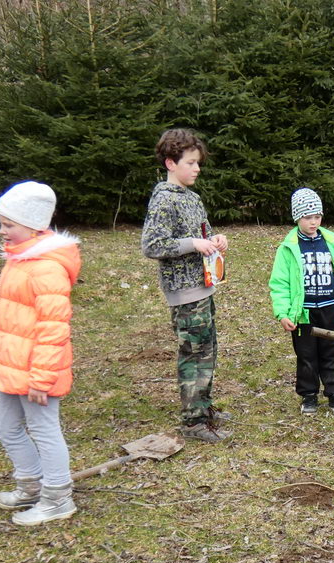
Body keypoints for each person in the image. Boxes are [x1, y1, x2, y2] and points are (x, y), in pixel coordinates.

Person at [0, 181, 81, 526]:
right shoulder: (19, 259)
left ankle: (57, 497)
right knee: (2, 424)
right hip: (14, 364)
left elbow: (53, 328)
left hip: (38, 370)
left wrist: (41, 378)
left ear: (33, 226)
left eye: (9, 224)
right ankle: (31, 484)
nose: (2, 230)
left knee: (43, 429)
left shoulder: (46, 268)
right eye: (2, 223)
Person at [141, 128, 230, 442]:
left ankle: (203, 408)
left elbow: (203, 233)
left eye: (198, 163)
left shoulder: (193, 198)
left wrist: (215, 239)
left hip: (204, 285)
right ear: (170, 163)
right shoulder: (164, 200)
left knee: (207, 350)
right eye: (190, 163)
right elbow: (152, 245)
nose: (197, 168)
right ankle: (193, 422)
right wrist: (192, 244)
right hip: (184, 292)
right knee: (193, 354)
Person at [269, 188, 334, 415]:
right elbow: (279, 283)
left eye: (317, 217)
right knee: (306, 355)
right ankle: (309, 395)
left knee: (332, 352)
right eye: (307, 217)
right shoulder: (288, 248)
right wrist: (283, 313)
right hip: (303, 313)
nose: (313, 222)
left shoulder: (332, 243)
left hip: (329, 308)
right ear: (297, 218)